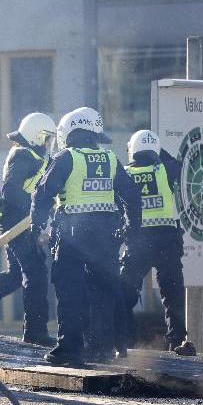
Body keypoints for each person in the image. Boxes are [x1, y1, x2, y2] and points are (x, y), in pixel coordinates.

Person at [31, 107, 141, 366]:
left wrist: (37, 227)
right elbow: (132, 196)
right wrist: (130, 226)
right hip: (106, 236)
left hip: (72, 236)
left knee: (70, 292)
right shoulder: (111, 159)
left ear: (69, 131)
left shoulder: (66, 158)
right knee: (103, 291)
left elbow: (43, 193)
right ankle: (100, 348)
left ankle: (69, 349)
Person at [119, 130, 194, 356]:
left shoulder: (124, 172)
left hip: (138, 240)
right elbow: (179, 164)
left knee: (124, 292)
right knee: (172, 294)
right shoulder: (165, 168)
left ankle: (122, 342)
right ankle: (178, 340)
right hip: (166, 239)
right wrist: (158, 150)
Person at [0, 112, 56, 346]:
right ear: (36, 136)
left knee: (17, 275)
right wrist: (37, 206)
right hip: (16, 223)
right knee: (36, 272)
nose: (49, 144)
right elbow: (11, 191)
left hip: (22, 222)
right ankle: (35, 331)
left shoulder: (34, 156)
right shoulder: (22, 156)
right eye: (47, 138)